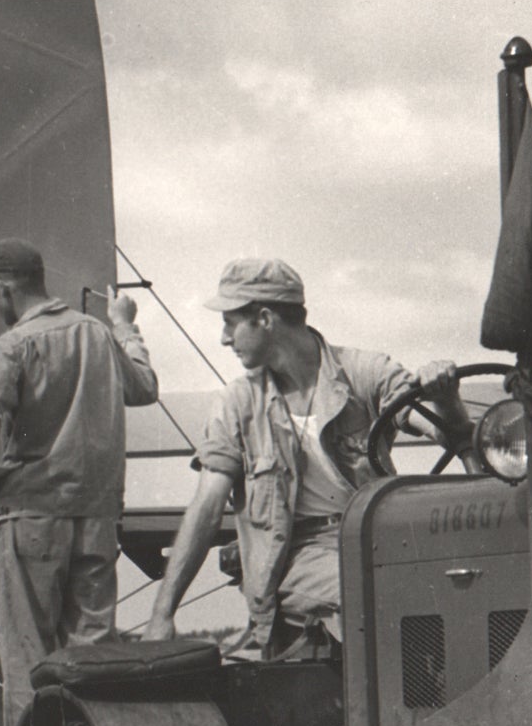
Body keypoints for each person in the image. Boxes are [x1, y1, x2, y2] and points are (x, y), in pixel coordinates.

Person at [141, 257, 470, 655]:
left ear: (264, 319)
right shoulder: (238, 404)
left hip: (380, 537)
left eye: (230, 323)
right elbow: (207, 508)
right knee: (376, 593)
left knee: (463, 585)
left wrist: (446, 397)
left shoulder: (365, 373)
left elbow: (446, 433)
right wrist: (162, 615)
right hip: (295, 555)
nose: (225, 339)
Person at [0, 239, 159, 726]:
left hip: (33, 515)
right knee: (90, 656)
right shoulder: (98, 337)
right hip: (97, 516)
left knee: (28, 657)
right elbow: (144, 387)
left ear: (3, 287)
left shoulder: (15, 344)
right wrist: (126, 329)